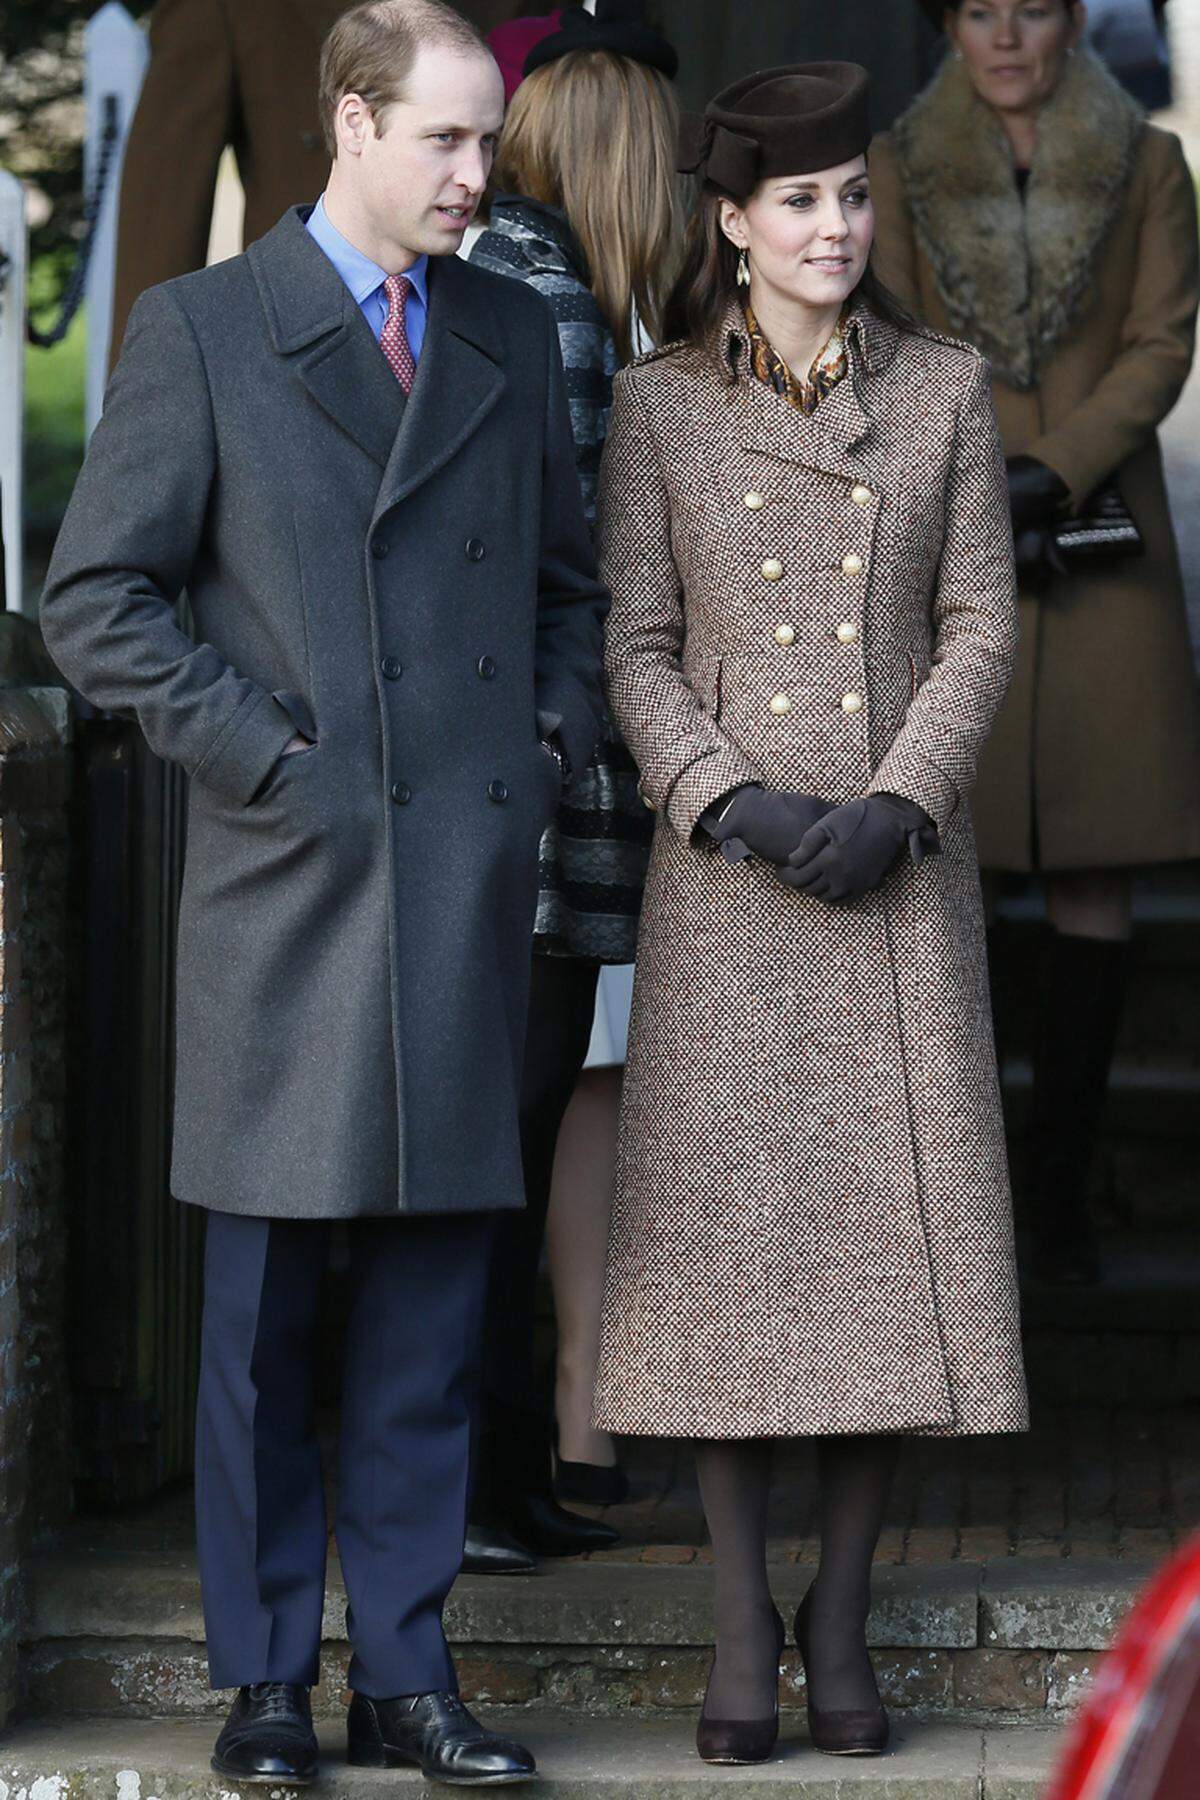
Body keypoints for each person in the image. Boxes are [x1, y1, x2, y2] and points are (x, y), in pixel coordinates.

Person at [41, 0, 606, 1783]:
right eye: (445, 139)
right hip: (286, 887)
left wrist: (541, 734)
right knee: (266, 1321)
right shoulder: (201, 329)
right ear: (349, 125)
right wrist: (262, 763)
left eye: (487, 142)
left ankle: (411, 1675)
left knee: (440, 1309)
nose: (477, 175)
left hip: (457, 883)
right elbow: (97, 602)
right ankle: (270, 1677)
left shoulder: (512, 323)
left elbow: (572, 593)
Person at [593, 62, 1029, 1764]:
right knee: (727, 1267)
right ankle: (734, 1626)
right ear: (730, 220)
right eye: (798, 202)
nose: (834, 227)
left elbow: (981, 624)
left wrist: (901, 800)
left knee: (877, 1273)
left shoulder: (944, 393)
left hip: (893, 881)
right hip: (731, 889)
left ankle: (838, 1618)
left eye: (851, 196)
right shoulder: (660, 408)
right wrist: (727, 798)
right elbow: (632, 642)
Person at [870, 1, 1200, 1284]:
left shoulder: (1150, 162)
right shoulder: (896, 163)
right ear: (951, 26)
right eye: (981, 11)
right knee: (953, 857)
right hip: (950, 537)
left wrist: (1053, 470)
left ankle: (1058, 1191)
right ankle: (959, 1198)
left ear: (1074, 22)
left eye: (1034, 10)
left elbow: (1161, 340)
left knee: (1097, 866)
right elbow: (882, 332)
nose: (1007, 37)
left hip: (1107, 538)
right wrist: (974, 476)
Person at [464, 0, 682, 1558]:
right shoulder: (552, 316)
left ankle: (502, 1483)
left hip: (501, 807)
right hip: (529, 816)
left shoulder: (516, 290)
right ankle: (483, 1495)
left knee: (511, 1138)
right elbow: (580, 579)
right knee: (500, 1144)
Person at [109, 0, 531, 363]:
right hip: (287, 343)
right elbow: (165, 199)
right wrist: (153, 371)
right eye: (445, 138)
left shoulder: (528, 324)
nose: (475, 176)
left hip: (499, 327)